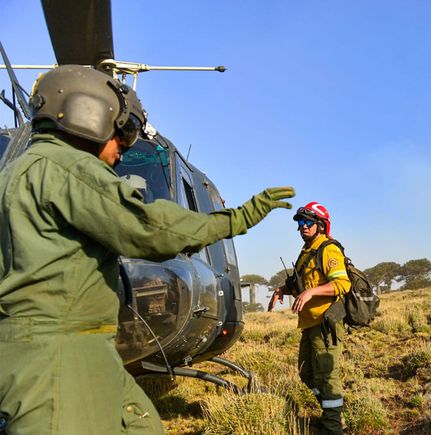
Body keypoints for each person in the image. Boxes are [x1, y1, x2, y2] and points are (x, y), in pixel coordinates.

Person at [0, 65, 295, 434]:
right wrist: (237, 219)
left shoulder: (16, 173)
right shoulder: (68, 168)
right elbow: (149, 229)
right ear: (88, 117)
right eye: (119, 139)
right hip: (59, 355)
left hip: (66, 348)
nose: (121, 154)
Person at [268, 201, 351, 435]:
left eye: (308, 222)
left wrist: (311, 292)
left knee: (327, 377)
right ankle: (331, 412)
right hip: (309, 325)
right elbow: (303, 284)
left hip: (325, 324)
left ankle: (333, 427)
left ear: (321, 226)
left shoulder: (328, 249)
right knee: (306, 373)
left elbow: (342, 284)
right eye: (301, 222)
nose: (303, 226)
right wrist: (281, 291)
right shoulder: (307, 252)